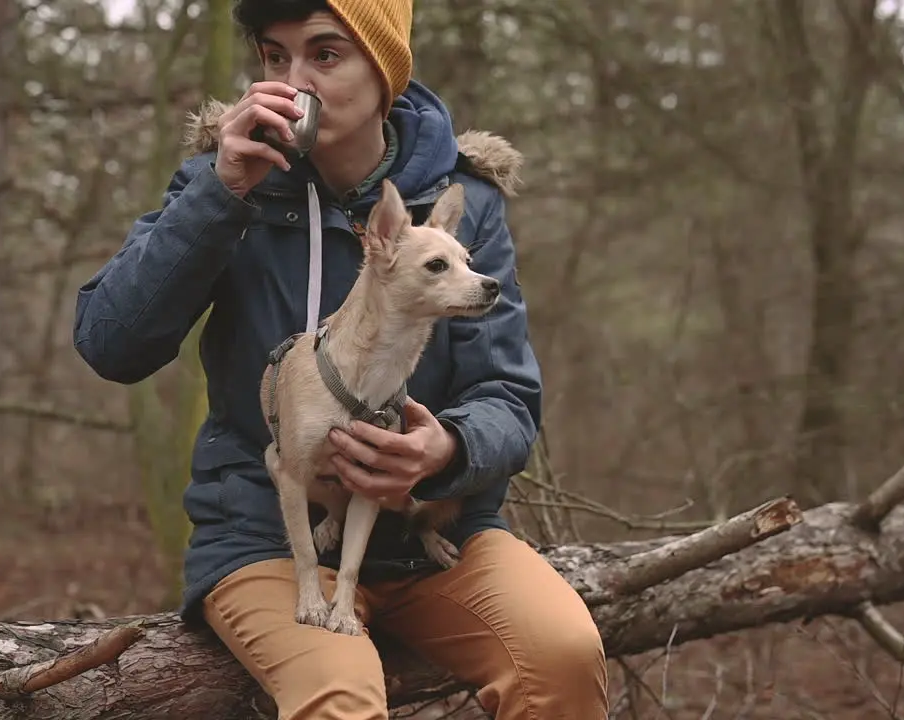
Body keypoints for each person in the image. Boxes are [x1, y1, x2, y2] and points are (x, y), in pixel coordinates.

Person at [72, 0, 609, 717]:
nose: (294, 83)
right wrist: (221, 190)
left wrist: (444, 448)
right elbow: (111, 344)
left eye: (324, 55)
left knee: (562, 655)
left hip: (433, 537)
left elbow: (508, 397)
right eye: (273, 57)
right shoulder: (228, 187)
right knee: (340, 698)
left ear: (384, 70)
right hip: (265, 535)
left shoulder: (464, 205)